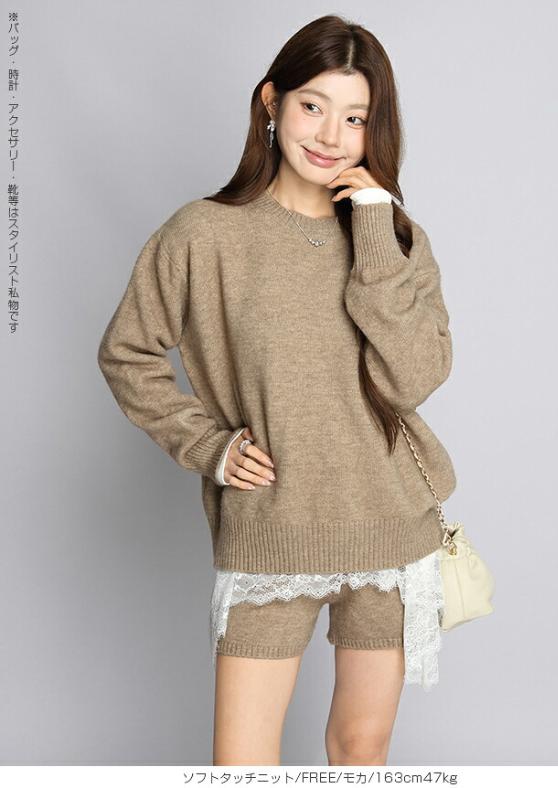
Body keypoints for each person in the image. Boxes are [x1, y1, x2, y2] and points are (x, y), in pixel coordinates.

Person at [97, 13, 457, 767]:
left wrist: (373, 232)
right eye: (312, 106)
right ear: (272, 101)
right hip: (272, 527)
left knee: (361, 751)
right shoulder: (203, 234)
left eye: (354, 117)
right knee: (243, 763)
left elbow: (413, 379)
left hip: (389, 526)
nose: (330, 135)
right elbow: (127, 352)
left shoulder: (396, 239)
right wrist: (209, 447)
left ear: (375, 128)